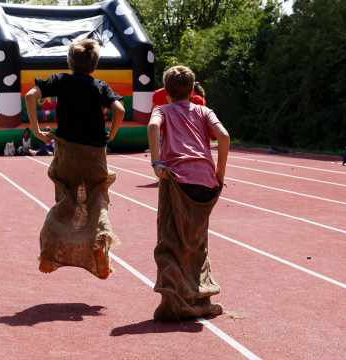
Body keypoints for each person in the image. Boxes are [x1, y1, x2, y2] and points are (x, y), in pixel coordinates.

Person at [25, 38, 125, 280]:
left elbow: (30, 95)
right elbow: (119, 110)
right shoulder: (100, 85)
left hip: (68, 151)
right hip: (95, 154)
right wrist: (110, 134)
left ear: (69, 62)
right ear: (94, 65)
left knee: (67, 198)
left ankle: (49, 254)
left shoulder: (61, 80)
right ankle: (98, 244)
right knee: (96, 197)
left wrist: (37, 131)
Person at [147, 66, 230, 321]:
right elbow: (224, 137)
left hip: (177, 181)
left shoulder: (162, 109)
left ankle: (173, 301)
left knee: (170, 241)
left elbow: (152, 127)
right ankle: (201, 297)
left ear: (166, 93)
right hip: (205, 183)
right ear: (193, 90)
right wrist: (220, 174)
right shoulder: (205, 111)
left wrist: (156, 162)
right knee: (197, 243)